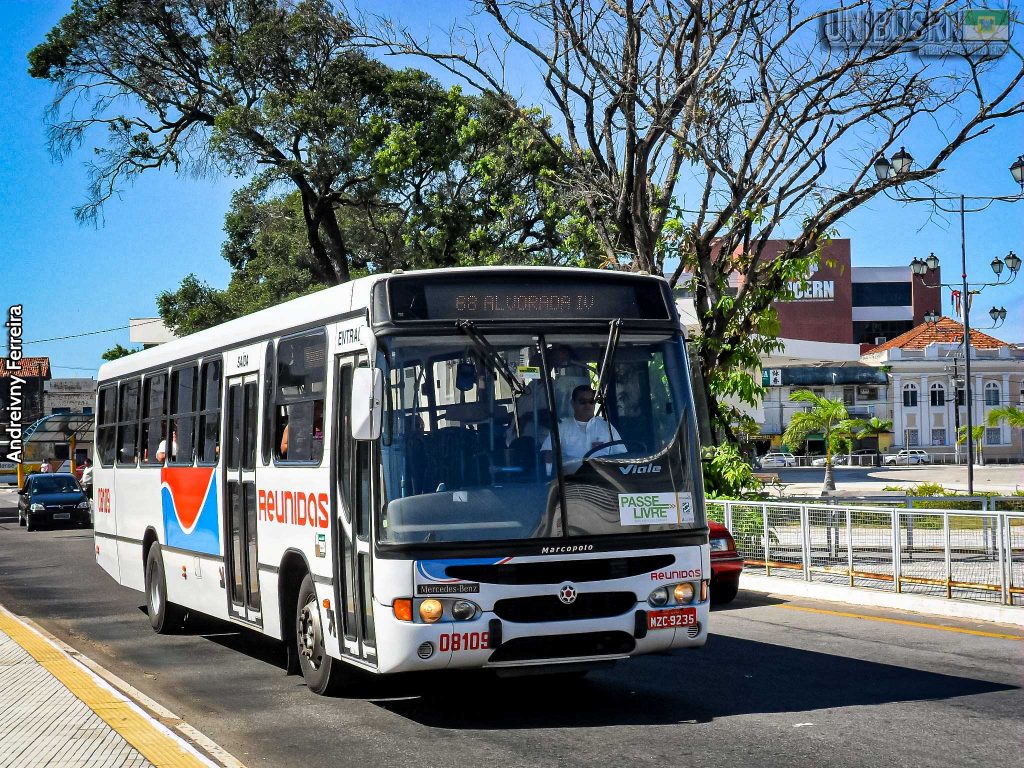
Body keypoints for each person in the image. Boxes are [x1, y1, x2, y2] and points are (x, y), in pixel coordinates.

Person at [540, 385, 626, 465]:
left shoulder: (607, 427)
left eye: (591, 401)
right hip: (571, 475)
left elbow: (622, 456)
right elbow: (547, 454)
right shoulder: (561, 427)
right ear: (573, 403)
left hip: (602, 474)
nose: (587, 405)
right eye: (582, 401)